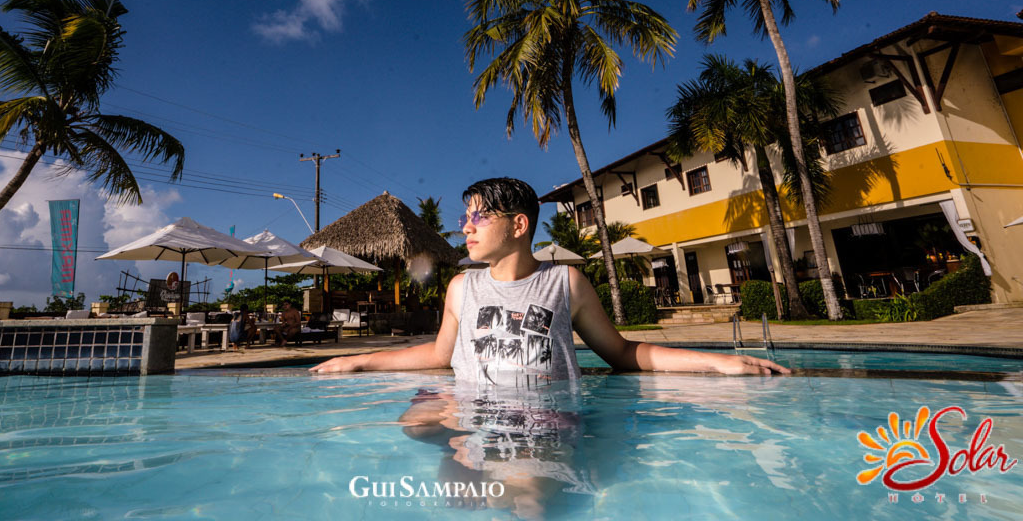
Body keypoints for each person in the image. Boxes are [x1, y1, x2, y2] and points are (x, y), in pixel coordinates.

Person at [312, 176, 789, 381]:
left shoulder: (565, 283)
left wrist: (718, 364)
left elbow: (623, 353)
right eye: (465, 217)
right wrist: (359, 361)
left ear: (518, 226)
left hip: (550, 420)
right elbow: (440, 355)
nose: (466, 226)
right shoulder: (463, 287)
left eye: (479, 217)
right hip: (475, 416)